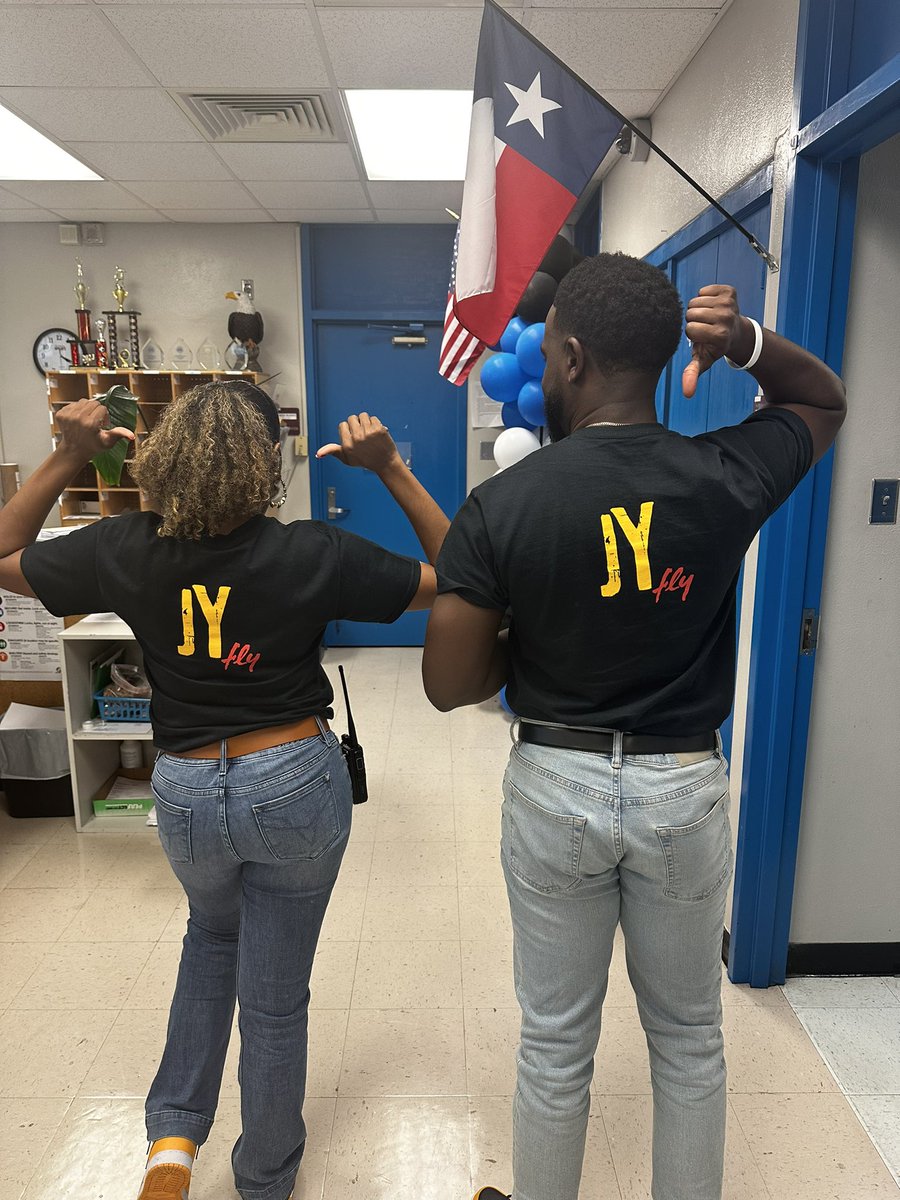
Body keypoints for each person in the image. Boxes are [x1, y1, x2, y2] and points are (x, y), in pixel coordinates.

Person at [420, 254, 846, 1200]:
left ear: (566, 358)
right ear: (658, 359)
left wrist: (518, 643)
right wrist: (746, 345)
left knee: (556, 1044)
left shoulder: (504, 505)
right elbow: (821, 402)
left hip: (556, 784)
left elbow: (449, 685)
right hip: (683, 790)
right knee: (690, 1037)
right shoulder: (726, 473)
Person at [0, 381, 448, 1200]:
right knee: (275, 1001)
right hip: (293, 782)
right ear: (262, 467)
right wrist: (390, 470)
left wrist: (67, 455)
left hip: (183, 787)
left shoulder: (123, 545)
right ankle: (264, 1178)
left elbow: (2, 559)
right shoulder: (312, 551)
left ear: (167, 459)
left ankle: (172, 1142)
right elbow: (459, 577)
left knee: (211, 936)